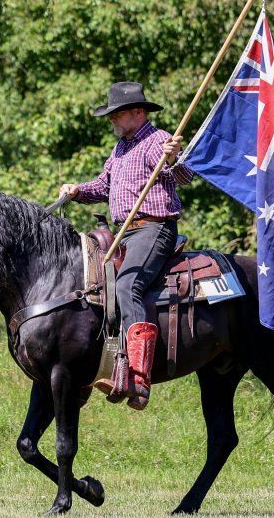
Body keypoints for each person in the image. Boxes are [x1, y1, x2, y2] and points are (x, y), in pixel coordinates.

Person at [59, 81, 194, 409]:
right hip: (123, 232)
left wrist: (174, 159)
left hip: (153, 229)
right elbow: (103, 185)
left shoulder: (157, 141)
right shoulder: (120, 148)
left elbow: (185, 174)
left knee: (128, 284)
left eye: (116, 114)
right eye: (110, 116)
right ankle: (107, 364)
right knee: (94, 287)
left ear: (138, 112)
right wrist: (78, 190)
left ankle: (138, 375)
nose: (112, 121)